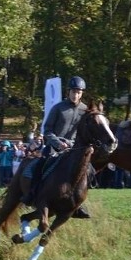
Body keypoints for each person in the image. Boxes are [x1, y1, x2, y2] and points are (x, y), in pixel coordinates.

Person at [24, 76, 90, 218]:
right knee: (41, 164)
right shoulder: (58, 108)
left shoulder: (85, 110)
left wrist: (73, 145)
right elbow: (47, 130)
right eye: (73, 91)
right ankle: (32, 193)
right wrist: (58, 143)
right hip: (54, 146)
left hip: (73, 149)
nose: (76, 94)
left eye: (79, 92)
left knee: (89, 169)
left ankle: (78, 203)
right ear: (68, 91)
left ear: (82, 93)